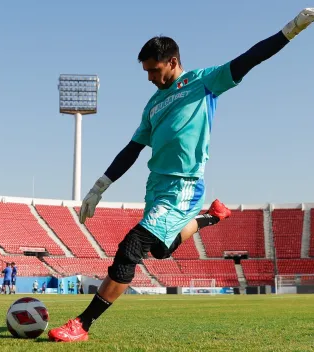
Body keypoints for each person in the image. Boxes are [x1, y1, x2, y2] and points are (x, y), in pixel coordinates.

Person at [48, 8, 314, 343]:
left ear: (173, 61)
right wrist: (99, 186)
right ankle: (208, 218)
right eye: (146, 72)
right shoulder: (152, 105)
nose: (150, 78)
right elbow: (132, 148)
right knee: (160, 250)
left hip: (183, 186)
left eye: (154, 70)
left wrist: (292, 29)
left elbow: (250, 58)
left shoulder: (204, 81)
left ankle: (82, 325)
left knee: (132, 247)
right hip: (156, 187)